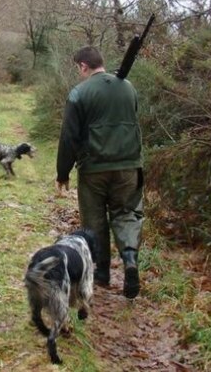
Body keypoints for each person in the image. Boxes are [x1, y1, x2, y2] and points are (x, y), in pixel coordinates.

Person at [55, 45, 144, 299]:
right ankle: (129, 261)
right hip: (129, 166)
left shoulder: (79, 93)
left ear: (83, 66)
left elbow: (69, 138)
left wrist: (63, 173)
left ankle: (101, 273)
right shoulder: (129, 88)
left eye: (78, 69)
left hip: (93, 169)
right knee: (127, 214)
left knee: (94, 220)